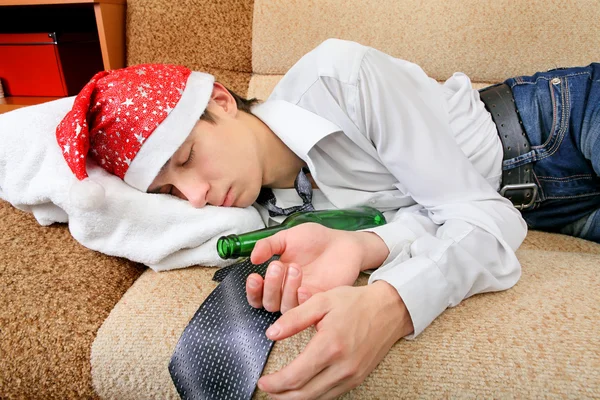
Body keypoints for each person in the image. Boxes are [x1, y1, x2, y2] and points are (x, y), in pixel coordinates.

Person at [56, 39, 600, 399]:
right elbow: (432, 215)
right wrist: (365, 247)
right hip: (551, 211)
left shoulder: (339, 77)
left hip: (562, 121)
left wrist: (391, 305)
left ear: (220, 101)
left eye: (187, 159)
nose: (195, 197)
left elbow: (477, 213)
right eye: (170, 190)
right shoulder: (280, 215)